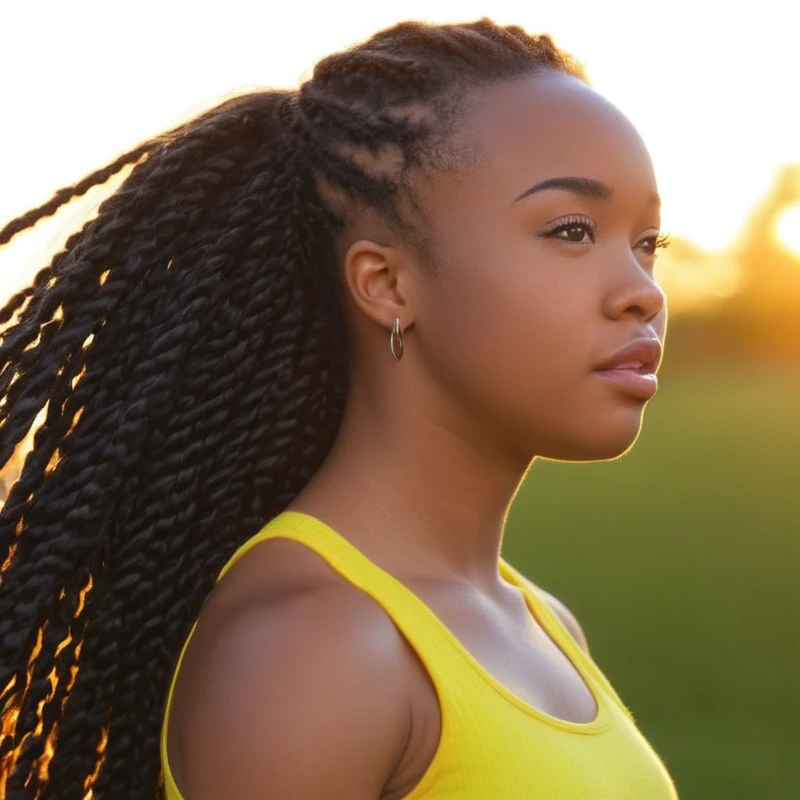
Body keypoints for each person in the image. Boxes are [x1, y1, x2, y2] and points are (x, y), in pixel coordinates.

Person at [0, 17, 679, 800]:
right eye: (572, 230)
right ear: (387, 285)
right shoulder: (317, 648)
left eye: (647, 242)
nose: (644, 292)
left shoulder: (542, 624)